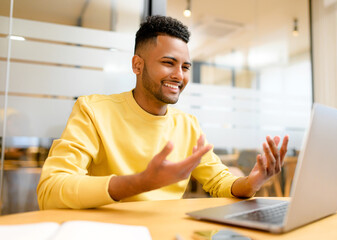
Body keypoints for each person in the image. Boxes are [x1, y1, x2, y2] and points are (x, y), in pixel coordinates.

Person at [37, 15, 288, 210]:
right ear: (137, 65)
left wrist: (252, 182)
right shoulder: (92, 110)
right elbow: (50, 190)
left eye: (185, 66)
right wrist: (140, 182)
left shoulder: (188, 125)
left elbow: (219, 181)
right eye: (168, 63)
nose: (179, 76)